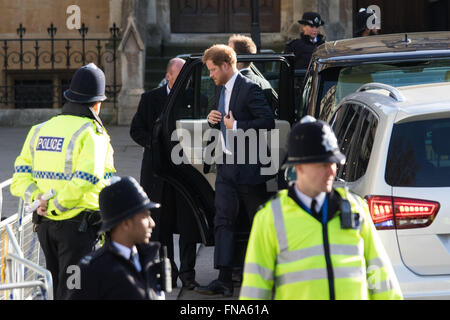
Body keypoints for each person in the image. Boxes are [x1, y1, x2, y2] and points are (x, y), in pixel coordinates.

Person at [239, 116, 403, 300]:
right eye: (322, 164)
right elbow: (254, 292)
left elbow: (381, 278)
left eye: (333, 162)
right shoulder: (270, 217)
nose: (332, 170)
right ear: (298, 167)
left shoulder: (356, 209)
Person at [10, 63, 116, 299]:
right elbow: (86, 179)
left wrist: (38, 200)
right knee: (75, 290)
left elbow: (20, 176)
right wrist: (57, 207)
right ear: (97, 103)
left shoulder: (39, 129)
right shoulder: (92, 133)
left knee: (56, 285)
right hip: (77, 229)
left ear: (69, 96)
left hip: (45, 226)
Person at [195, 44, 275, 296]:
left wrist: (236, 125)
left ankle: (269, 277)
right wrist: (213, 120)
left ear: (227, 66)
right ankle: (224, 280)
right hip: (227, 168)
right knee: (223, 222)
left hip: (249, 171)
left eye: (213, 70)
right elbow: (222, 123)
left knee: (260, 224)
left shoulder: (250, 89)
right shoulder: (221, 91)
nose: (211, 75)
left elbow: (267, 122)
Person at [130, 57, 199, 290]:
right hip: (157, 173)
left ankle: (188, 274)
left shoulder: (195, 96)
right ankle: (168, 273)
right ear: (168, 76)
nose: (185, 82)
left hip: (186, 173)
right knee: (160, 226)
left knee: (189, 224)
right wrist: (155, 144)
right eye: (179, 77)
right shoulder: (150, 99)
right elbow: (136, 130)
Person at [66, 176, 166, 300]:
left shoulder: (147, 259)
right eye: (145, 216)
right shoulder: (92, 270)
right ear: (126, 223)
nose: (152, 223)